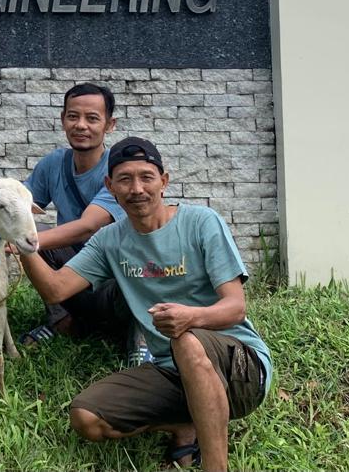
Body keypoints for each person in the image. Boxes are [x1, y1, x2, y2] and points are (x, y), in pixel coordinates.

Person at [17, 136, 272, 472]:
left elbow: (236, 308)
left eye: (146, 177)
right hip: (172, 370)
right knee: (86, 417)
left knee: (186, 339)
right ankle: (186, 423)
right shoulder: (110, 240)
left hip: (241, 369)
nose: (136, 189)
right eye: (124, 179)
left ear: (163, 181)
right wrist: (19, 238)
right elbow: (55, 289)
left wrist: (190, 317)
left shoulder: (201, 222)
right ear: (110, 186)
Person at [7, 83, 129, 347]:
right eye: (73, 116)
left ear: (110, 125)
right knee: (30, 229)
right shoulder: (54, 163)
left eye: (92, 118)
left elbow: (88, 226)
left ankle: (134, 336)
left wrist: (26, 242)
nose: (81, 125)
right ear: (63, 119)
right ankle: (62, 323)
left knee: (32, 238)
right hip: (75, 268)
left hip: (113, 273)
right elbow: (19, 204)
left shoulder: (119, 171)